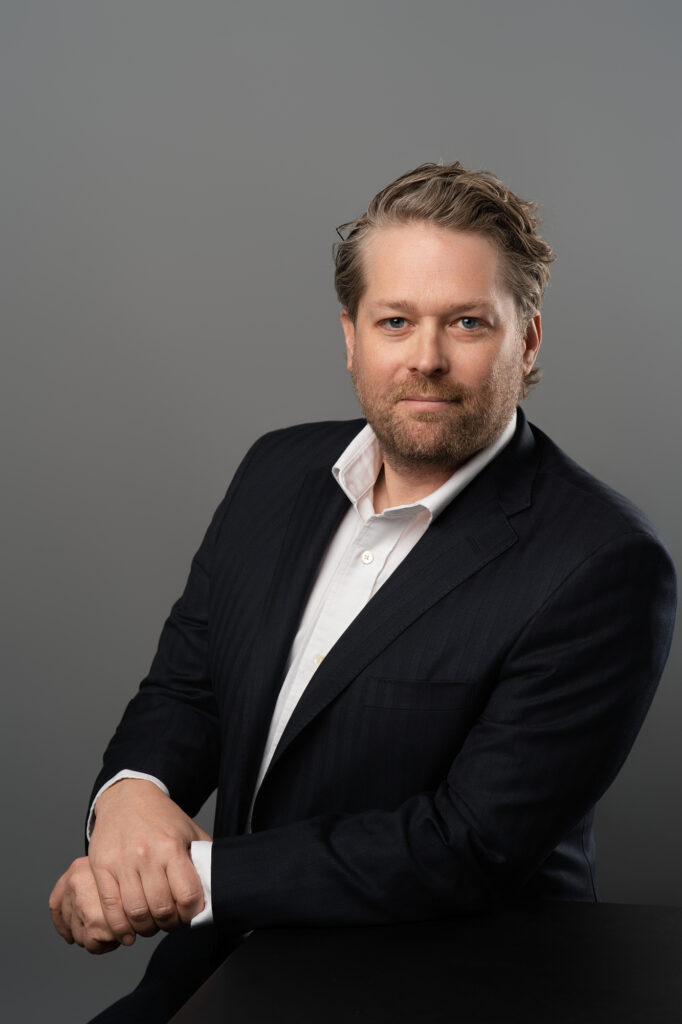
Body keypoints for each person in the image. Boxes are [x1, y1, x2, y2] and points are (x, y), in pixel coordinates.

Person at [49, 162, 676, 1022]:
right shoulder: (275, 470)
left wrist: (178, 882)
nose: (426, 358)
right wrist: (130, 798)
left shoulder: (603, 561)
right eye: (395, 321)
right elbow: (187, 690)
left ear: (527, 341)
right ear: (351, 336)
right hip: (229, 961)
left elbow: (466, 846)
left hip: (442, 983)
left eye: (467, 322)